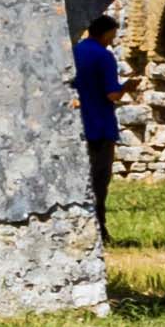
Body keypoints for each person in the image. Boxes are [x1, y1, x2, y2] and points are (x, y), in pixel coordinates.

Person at [69, 14, 122, 223]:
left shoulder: (74, 52)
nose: (113, 39)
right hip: (100, 125)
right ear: (106, 33)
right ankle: (99, 226)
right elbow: (112, 94)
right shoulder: (103, 56)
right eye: (113, 34)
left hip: (77, 123)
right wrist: (127, 88)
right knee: (99, 181)